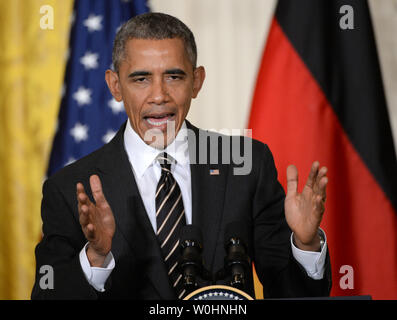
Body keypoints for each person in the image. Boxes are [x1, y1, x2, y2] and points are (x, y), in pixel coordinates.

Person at [31, 12, 331, 300]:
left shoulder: (245, 162)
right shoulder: (69, 188)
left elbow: (293, 296)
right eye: (141, 79)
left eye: (174, 76)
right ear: (115, 85)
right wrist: (95, 258)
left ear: (196, 81)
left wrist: (305, 244)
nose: (159, 95)